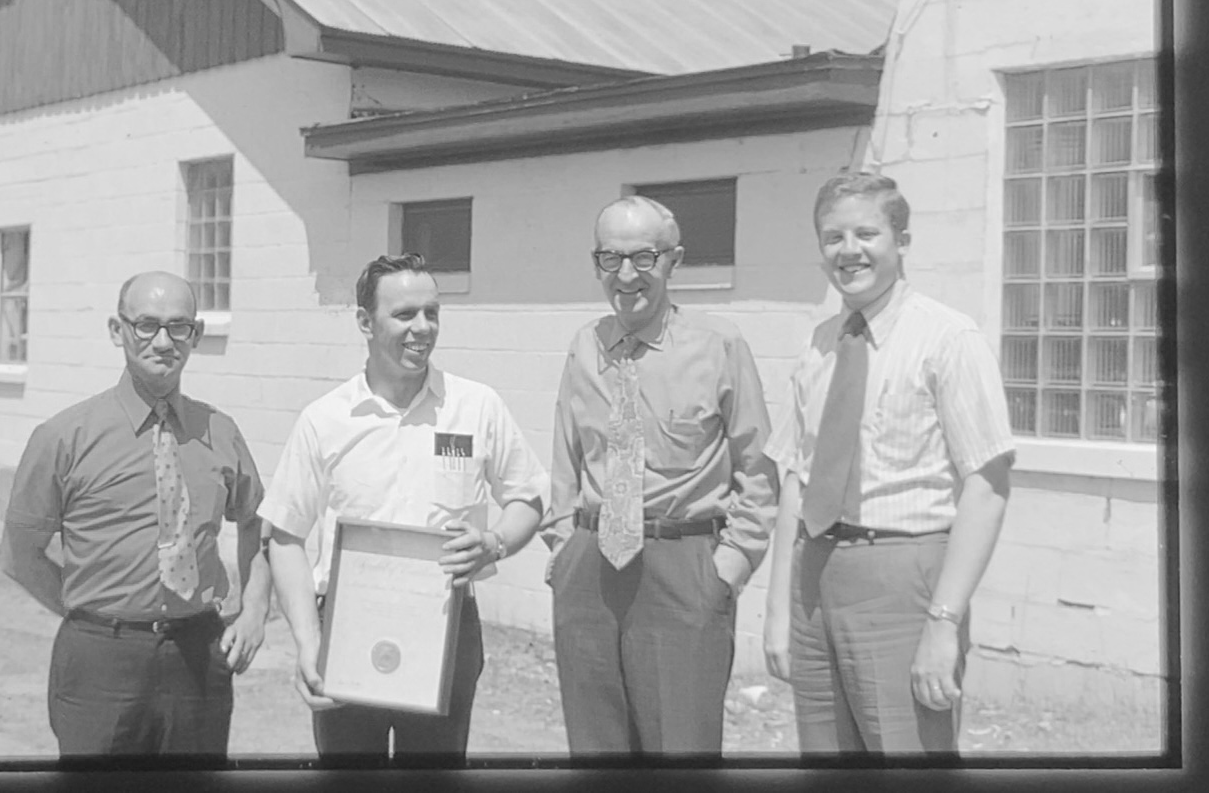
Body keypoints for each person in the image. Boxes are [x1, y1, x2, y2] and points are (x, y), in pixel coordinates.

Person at [259, 252, 547, 767]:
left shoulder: (476, 406)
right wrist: (309, 642)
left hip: (448, 629)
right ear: (365, 323)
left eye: (432, 313)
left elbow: (527, 498)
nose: (423, 328)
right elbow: (284, 536)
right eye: (405, 315)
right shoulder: (325, 420)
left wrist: (495, 542)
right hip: (346, 630)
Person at [761, 172, 1015, 754]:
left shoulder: (948, 338)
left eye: (866, 233)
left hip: (903, 575)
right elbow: (794, 481)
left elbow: (989, 485)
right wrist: (779, 610)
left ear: (901, 240)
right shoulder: (820, 343)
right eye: (832, 238)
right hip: (814, 575)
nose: (849, 251)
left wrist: (943, 621)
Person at [541, 195, 778, 756]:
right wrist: (560, 547)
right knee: (595, 748)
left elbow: (759, 467)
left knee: (681, 751)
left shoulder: (720, 344)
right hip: (590, 568)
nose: (626, 275)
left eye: (644, 257)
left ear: (674, 261)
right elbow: (565, 460)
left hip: (683, 570)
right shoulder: (585, 346)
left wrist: (730, 565)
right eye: (610, 258)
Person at [1, 271, 270, 761]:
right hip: (100, 661)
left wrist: (254, 611)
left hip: (198, 656)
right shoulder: (64, 436)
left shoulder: (220, 431)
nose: (163, 341)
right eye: (145, 325)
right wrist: (93, 616)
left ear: (196, 335)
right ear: (116, 330)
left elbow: (257, 521)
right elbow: (21, 554)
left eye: (178, 326)